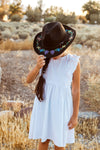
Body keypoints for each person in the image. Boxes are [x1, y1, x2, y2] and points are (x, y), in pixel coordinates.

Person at [27, 22, 80, 150]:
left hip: (62, 108)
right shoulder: (44, 59)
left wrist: (75, 116)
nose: (51, 54)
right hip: (44, 105)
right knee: (43, 141)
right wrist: (37, 67)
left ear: (63, 46)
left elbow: (76, 89)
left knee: (59, 143)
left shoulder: (73, 62)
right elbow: (28, 80)